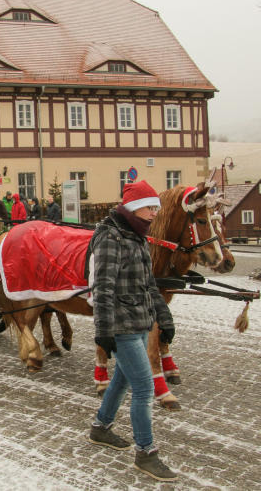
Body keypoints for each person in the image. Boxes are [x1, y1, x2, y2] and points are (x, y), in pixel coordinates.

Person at [88, 180, 177, 482]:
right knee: (145, 388)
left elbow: (149, 284)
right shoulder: (111, 238)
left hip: (141, 320)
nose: (155, 214)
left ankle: (101, 428)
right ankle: (146, 453)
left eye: (156, 208)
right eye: (151, 208)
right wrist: (103, 330)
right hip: (122, 325)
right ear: (136, 208)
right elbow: (103, 288)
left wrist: (164, 318)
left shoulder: (137, 236)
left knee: (124, 381)